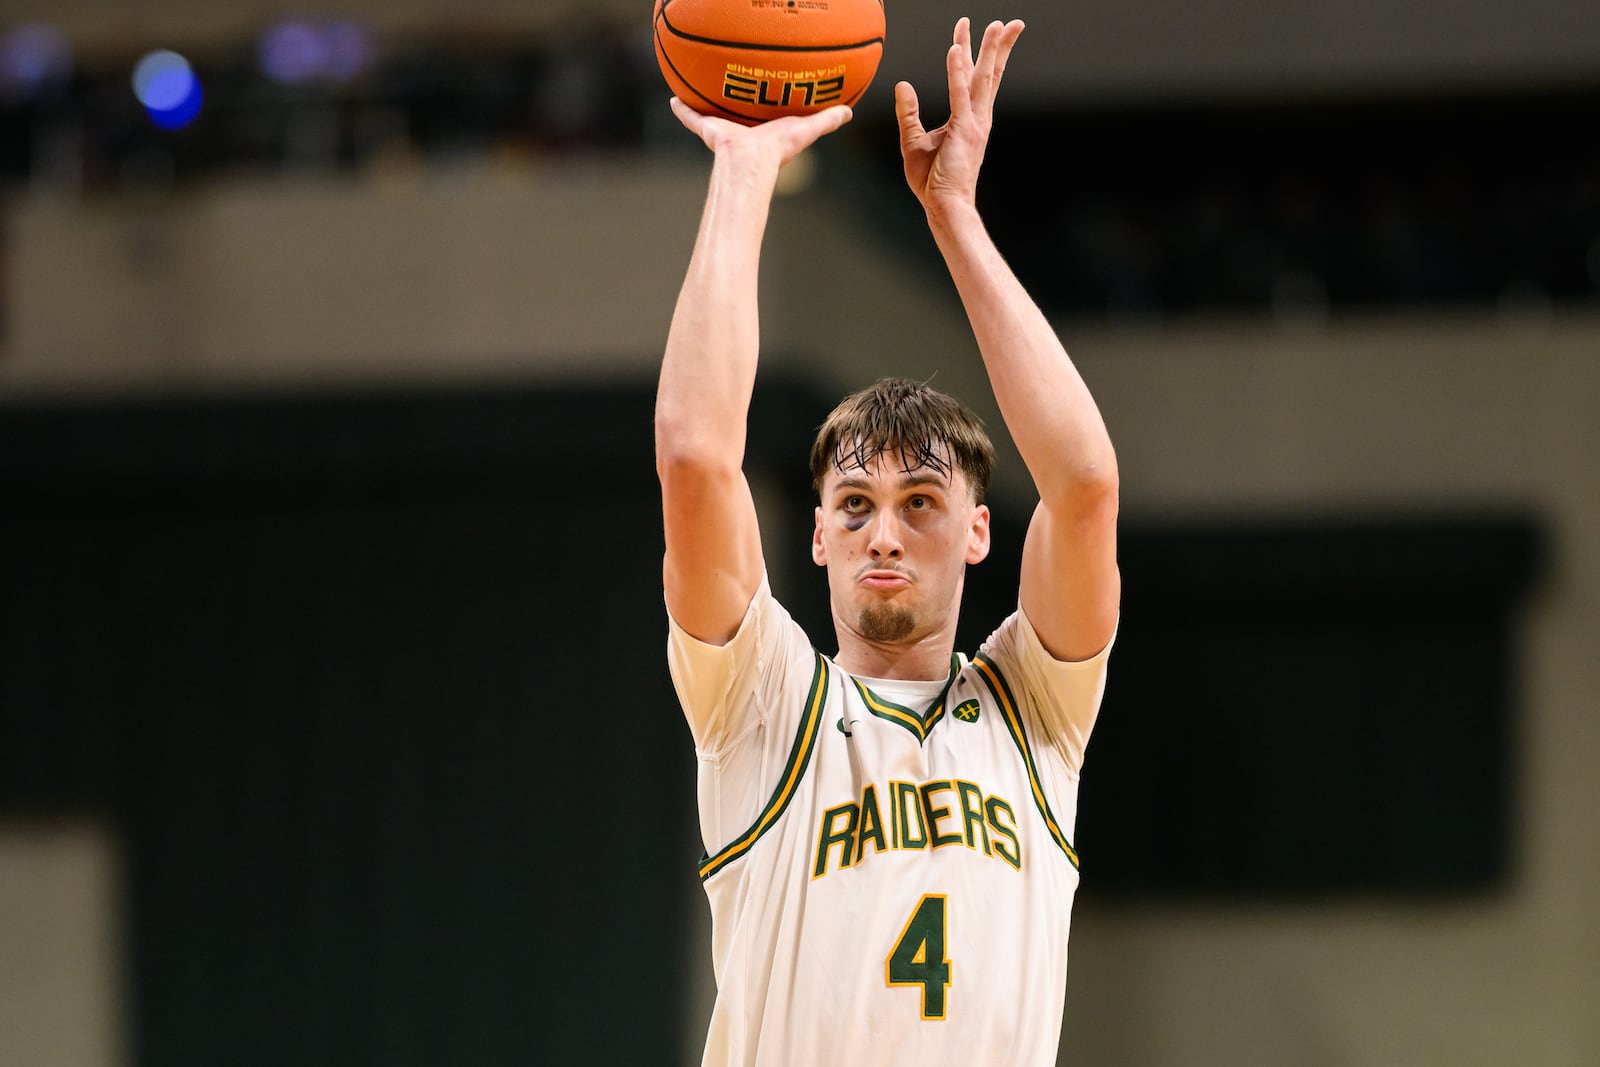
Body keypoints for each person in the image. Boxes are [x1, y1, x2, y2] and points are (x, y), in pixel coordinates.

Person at [655, 16, 1119, 1067]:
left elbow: (1085, 482)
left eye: (920, 500)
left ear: (977, 531)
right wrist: (743, 164)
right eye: (854, 504)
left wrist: (953, 215)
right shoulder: (765, 700)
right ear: (813, 535)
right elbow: (693, 453)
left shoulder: (1034, 711)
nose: (884, 531)